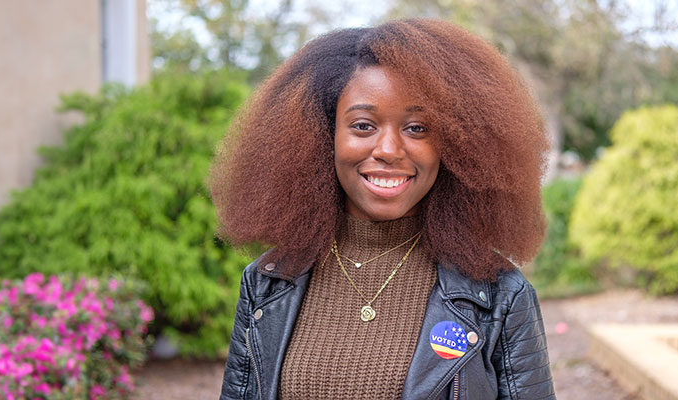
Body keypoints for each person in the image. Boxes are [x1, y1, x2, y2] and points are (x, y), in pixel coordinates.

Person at [211, 18, 554, 400]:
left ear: (458, 144)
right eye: (362, 125)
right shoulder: (267, 284)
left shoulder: (499, 297)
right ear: (323, 136)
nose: (389, 150)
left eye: (417, 128)